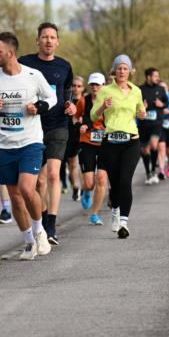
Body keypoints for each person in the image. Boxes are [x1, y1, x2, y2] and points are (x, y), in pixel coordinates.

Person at [0, 31, 56, 260]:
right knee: (15, 196)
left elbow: (52, 97)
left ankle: (40, 229)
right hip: (5, 144)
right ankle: (29, 241)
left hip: (30, 141)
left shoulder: (32, 75)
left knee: (26, 188)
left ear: (10, 53)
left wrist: (39, 107)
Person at [19, 22, 76, 246]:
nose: (48, 41)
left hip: (58, 125)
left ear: (58, 41)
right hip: (32, 127)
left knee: (53, 174)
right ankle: (41, 221)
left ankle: (51, 224)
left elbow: (67, 93)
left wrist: (71, 106)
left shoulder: (64, 66)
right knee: (38, 182)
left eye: (52, 37)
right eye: (44, 37)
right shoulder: (25, 63)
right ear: (38, 40)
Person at [92, 55, 145, 238]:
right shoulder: (105, 91)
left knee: (125, 181)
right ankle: (114, 210)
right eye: (119, 68)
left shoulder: (136, 91)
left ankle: (124, 223)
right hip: (111, 142)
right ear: (114, 71)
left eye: (125, 68)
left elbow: (140, 111)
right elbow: (93, 116)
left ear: (130, 71)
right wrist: (102, 108)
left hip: (131, 141)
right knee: (114, 184)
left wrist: (142, 112)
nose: (122, 71)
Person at [77, 73, 108, 226]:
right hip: (87, 143)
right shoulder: (84, 101)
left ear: (103, 85)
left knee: (101, 179)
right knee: (89, 183)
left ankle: (94, 214)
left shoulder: (110, 101)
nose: (95, 87)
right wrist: (80, 125)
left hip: (105, 144)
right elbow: (76, 117)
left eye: (98, 85)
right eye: (92, 85)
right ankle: (86, 191)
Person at [138, 67, 168, 185]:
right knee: (145, 150)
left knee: (154, 145)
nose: (157, 78)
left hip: (157, 123)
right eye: (155, 76)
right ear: (148, 77)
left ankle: (154, 171)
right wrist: (141, 107)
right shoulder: (140, 89)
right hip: (144, 124)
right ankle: (148, 172)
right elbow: (134, 106)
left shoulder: (161, 89)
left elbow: (167, 103)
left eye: (157, 76)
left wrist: (162, 104)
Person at [63, 76, 85, 201]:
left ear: (83, 88)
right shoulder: (67, 101)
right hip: (70, 135)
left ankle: (82, 186)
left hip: (83, 135)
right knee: (72, 163)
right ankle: (76, 187)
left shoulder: (86, 100)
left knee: (81, 163)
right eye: (74, 85)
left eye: (79, 86)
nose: (76, 88)